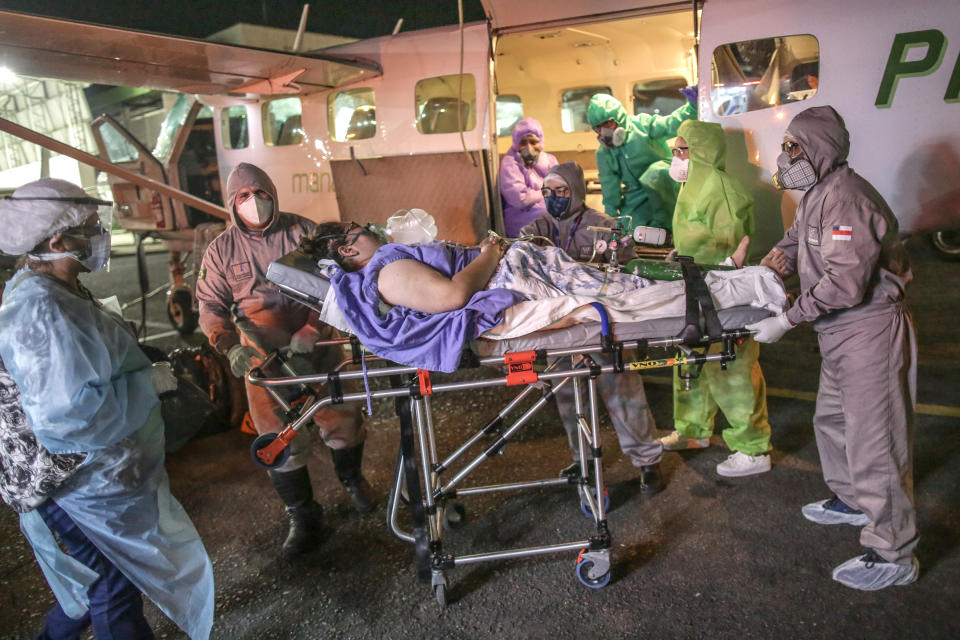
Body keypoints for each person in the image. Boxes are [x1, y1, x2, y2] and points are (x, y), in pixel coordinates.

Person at [0, 178, 214, 639]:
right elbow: (67, 419)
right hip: (65, 481)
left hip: (87, 474)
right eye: (91, 229)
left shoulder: (59, 287)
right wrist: (148, 384)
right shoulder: (42, 310)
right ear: (57, 240)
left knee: (90, 585)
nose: (100, 236)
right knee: (112, 585)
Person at [747, 105, 919, 591]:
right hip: (840, 333)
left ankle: (893, 551)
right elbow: (799, 238)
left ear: (819, 150)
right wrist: (775, 261)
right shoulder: (816, 194)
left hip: (868, 329)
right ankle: (852, 500)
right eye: (786, 146)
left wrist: (787, 317)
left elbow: (846, 283)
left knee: (876, 444)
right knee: (834, 420)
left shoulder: (847, 199)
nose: (786, 155)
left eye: (793, 148)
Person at [195, 162, 374, 559]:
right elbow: (210, 305)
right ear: (231, 203)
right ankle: (302, 515)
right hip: (263, 357)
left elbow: (336, 281)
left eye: (259, 193)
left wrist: (314, 327)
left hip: (318, 343)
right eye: (243, 197)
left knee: (341, 416)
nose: (253, 202)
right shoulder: (221, 250)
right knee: (278, 436)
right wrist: (229, 346)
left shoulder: (304, 232)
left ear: (273, 192)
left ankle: (353, 479)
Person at [520, 161, 663, 492]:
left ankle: (647, 461)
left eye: (561, 191)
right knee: (568, 398)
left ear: (577, 191)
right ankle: (581, 459)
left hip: (604, 325)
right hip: (560, 328)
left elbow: (628, 275)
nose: (554, 197)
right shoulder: (535, 230)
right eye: (547, 191)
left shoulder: (606, 227)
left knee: (624, 393)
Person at [657, 120, 773, 478]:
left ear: (701, 152)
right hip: (695, 286)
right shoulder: (693, 185)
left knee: (730, 368)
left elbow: (731, 248)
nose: (676, 157)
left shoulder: (720, 188)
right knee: (691, 360)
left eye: (682, 150)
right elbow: (699, 235)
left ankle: (753, 448)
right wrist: (681, 254)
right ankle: (693, 431)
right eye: (673, 151)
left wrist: (714, 269)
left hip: (722, 290)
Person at [587, 89, 697, 230]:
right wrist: (611, 221)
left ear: (619, 118)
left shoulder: (642, 125)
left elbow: (671, 124)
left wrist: (692, 106)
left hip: (664, 184)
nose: (604, 131)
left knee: (654, 175)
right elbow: (610, 191)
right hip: (636, 195)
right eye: (599, 127)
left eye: (608, 124)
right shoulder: (604, 154)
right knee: (631, 227)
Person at [499, 117, 558, 237]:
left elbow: (561, 187)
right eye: (523, 143)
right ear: (516, 143)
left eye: (533, 142)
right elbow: (520, 199)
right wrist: (547, 192)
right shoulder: (510, 163)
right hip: (523, 229)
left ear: (541, 142)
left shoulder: (549, 160)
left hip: (551, 227)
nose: (528, 147)